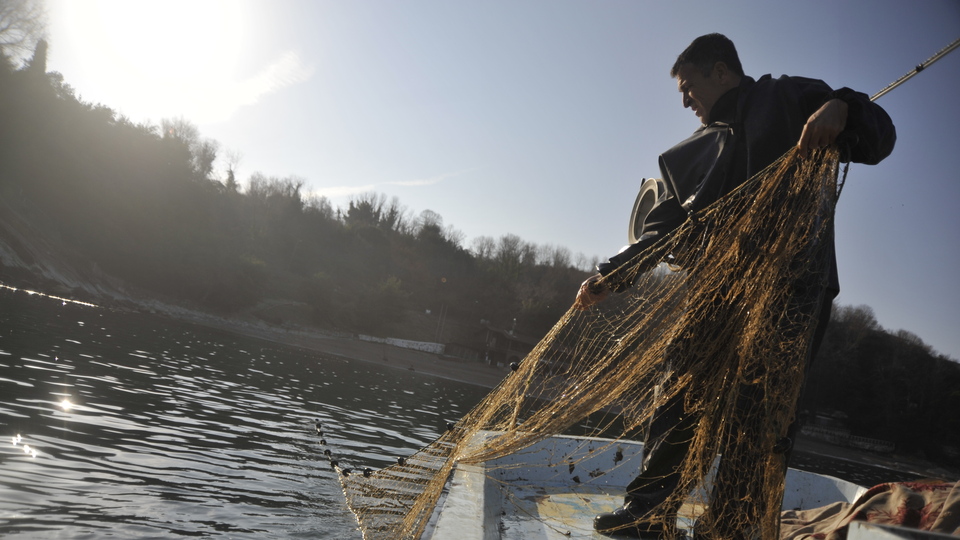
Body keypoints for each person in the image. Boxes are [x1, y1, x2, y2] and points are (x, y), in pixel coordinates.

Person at [574, 34, 896, 539]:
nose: (684, 100)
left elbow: (880, 136)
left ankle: (733, 526)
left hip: (793, 289)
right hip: (717, 293)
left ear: (722, 72)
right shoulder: (684, 157)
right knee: (677, 394)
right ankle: (648, 515)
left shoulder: (790, 98)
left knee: (761, 411)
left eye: (689, 86)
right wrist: (609, 275)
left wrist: (842, 107)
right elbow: (660, 231)